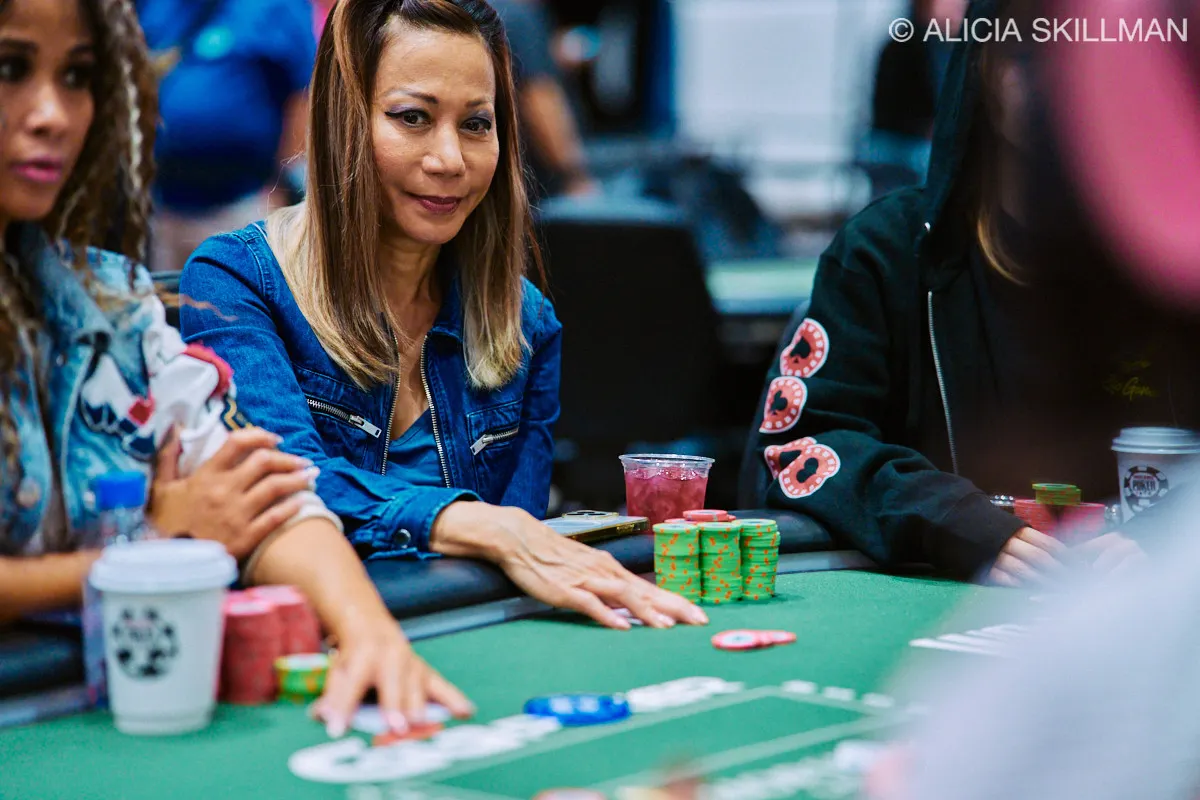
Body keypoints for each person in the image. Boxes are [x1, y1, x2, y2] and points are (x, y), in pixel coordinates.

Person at [0, 0, 474, 739]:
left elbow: (270, 500)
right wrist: (154, 543)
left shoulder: (113, 303)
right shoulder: (230, 272)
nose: (52, 115)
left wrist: (367, 631)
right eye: (11, 69)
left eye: (78, 77)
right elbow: (196, 525)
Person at [179, 0, 706, 631]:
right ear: (344, 120)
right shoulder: (234, 279)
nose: (450, 159)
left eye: (476, 124)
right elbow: (282, 488)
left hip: (466, 639)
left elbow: (518, 560)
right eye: (413, 118)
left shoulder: (527, 322)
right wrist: (473, 523)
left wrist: (507, 536)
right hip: (309, 642)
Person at [744, 0, 1175, 588]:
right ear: (984, 72)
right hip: (938, 591)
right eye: (1031, 54)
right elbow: (803, 443)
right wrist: (958, 523)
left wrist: (1167, 532)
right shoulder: (883, 250)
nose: (1058, 84)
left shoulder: (1171, 263)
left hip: (1144, 602)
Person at [135, 0, 313, 272]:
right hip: (164, 206)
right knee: (168, 295)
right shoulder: (157, 7)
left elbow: (303, 95)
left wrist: (283, 187)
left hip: (243, 204)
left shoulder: (276, 7)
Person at [490, 0, 597, 199]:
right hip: (534, 189)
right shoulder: (520, 18)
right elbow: (539, 102)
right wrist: (576, 177)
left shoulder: (482, 12)